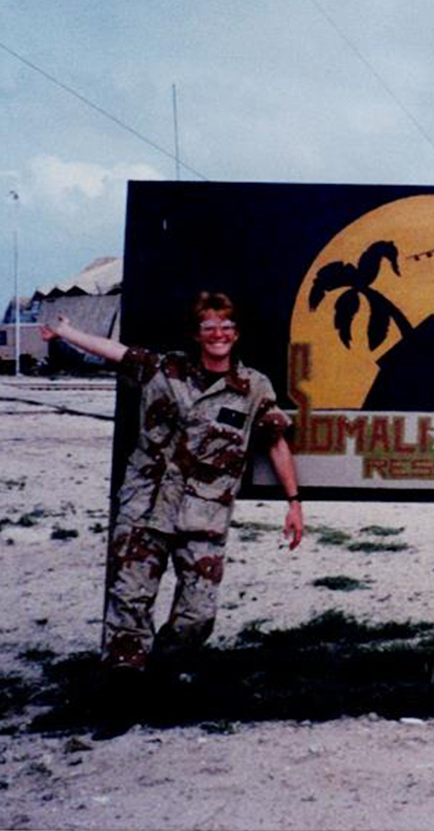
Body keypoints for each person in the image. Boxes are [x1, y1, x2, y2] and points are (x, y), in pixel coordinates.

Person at [40, 292, 304, 734]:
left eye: (226, 327)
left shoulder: (253, 387)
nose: (218, 335)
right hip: (145, 507)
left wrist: (294, 503)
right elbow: (117, 352)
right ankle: (121, 698)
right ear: (196, 334)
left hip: (204, 514)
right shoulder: (164, 369)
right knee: (129, 604)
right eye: (209, 327)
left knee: (198, 613)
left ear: (236, 335)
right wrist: (66, 331)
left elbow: (276, 442)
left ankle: (157, 676)